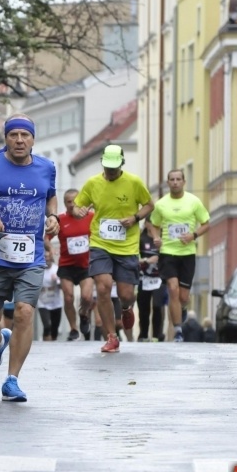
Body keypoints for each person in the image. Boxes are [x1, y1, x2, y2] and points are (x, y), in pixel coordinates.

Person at [0, 113, 59, 402]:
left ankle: (12, 380)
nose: (19, 140)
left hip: (31, 256)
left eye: (24, 135)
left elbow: (50, 196)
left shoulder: (47, 167)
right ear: (5, 139)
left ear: (33, 139)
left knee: (24, 312)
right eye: (13, 135)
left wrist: (53, 216)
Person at [72, 144, 154, 353]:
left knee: (126, 295)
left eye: (114, 167)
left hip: (127, 246)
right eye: (107, 167)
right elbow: (77, 205)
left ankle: (126, 308)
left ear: (121, 164)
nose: (110, 171)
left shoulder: (134, 182)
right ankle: (111, 336)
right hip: (100, 243)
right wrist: (78, 211)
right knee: (103, 287)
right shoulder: (93, 183)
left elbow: (149, 205)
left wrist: (135, 217)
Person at [149, 169, 210, 342]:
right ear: (168, 183)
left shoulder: (193, 201)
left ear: (183, 182)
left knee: (183, 297)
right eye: (172, 179)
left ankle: (181, 309)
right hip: (168, 253)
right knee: (172, 289)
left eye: (178, 179)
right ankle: (177, 331)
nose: (175, 182)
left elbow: (206, 223)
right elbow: (153, 224)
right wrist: (156, 238)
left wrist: (193, 235)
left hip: (187, 254)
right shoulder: (161, 204)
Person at [54, 188, 95, 341]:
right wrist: (49, 247)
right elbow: (46, 237)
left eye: (74, 201)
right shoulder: (60, 220)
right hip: (67, 265)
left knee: (86, 297)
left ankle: (83, 313)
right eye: (68, 202)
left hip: (86, 265)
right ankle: (73, 328)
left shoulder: (91, 217)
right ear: (64, 203)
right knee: (68, 297)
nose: (72, 204)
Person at [137, 219, 166, 342]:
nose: (155, 226)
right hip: (144, 278)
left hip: (159, 278)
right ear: (147, 224)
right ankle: (143, 334)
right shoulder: (141, 239)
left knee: (157, 306)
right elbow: (134, 258)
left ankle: (156, 335)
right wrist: (147, 260)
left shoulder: (163, 239)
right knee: (144, 308)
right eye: (152, 223)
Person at [38, 250, 63, 341]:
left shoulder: (56, 269)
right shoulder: (38, 270)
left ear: (51, 258)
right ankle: (46, 344)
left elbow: (63, 287)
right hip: (43, 303)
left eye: (48, 256)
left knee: (54, 328)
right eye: (45, 257)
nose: (47, 259)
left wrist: (57, 280)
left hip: (56, 304)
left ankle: (53, 345)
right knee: (47, 325)